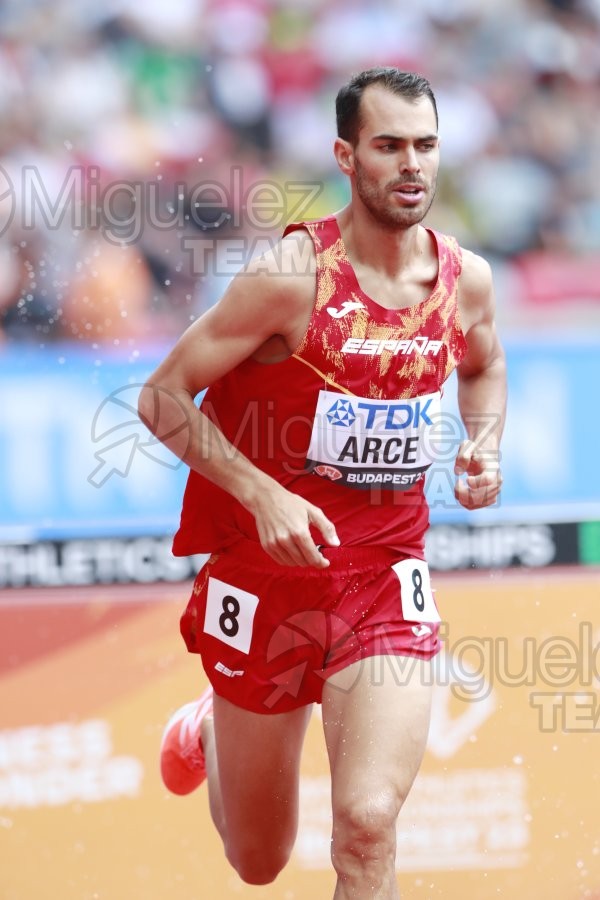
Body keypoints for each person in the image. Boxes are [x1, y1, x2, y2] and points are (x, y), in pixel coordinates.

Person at [138, 67, 506, 899]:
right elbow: (160, 397)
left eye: (425, 146)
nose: (411, 164)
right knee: (258, 860)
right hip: (265, 580)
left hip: (383, 578)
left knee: (369, 824)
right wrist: (262, 493)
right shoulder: (287, 277)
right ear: (347, 156)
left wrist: (482, 445)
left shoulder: (463, 281)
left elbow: (485, 363)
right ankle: (210, 725)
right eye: (388, 146)